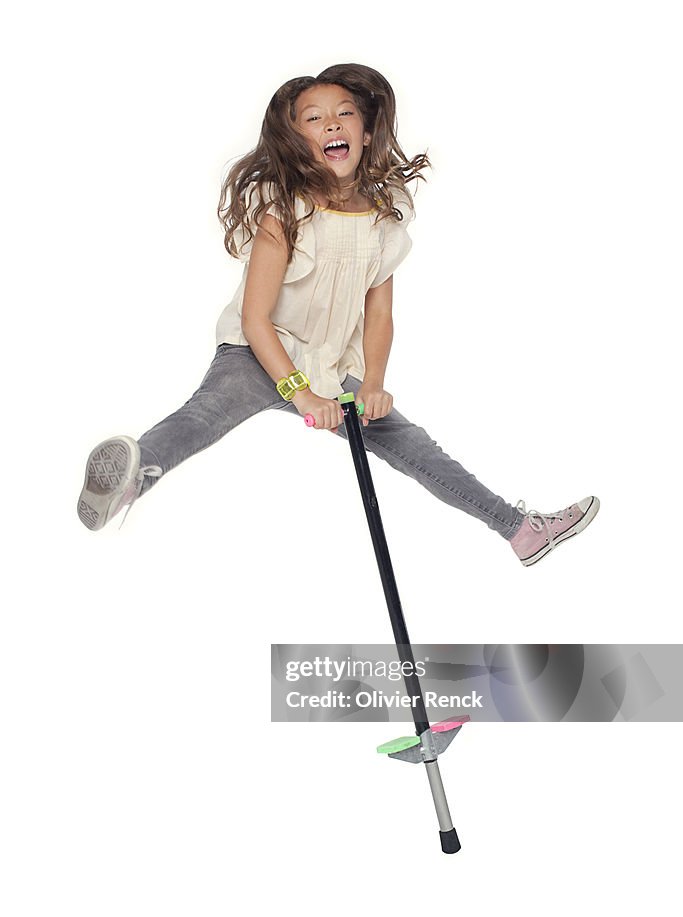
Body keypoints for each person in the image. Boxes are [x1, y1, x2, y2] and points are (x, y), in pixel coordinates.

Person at [77, 62, 599, 567]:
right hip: (260, 352)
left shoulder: (381, 219)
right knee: (205, 415)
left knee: (413, 446)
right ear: (297, 140)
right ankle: (132, 477)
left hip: (329, 363)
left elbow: (379, 316)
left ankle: (519, 530)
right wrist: (299, 393)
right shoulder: (284, 211)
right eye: (313, 118)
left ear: (366, 133)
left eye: (345, 113)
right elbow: (257, 319)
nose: (331, 123)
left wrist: (373, 382)